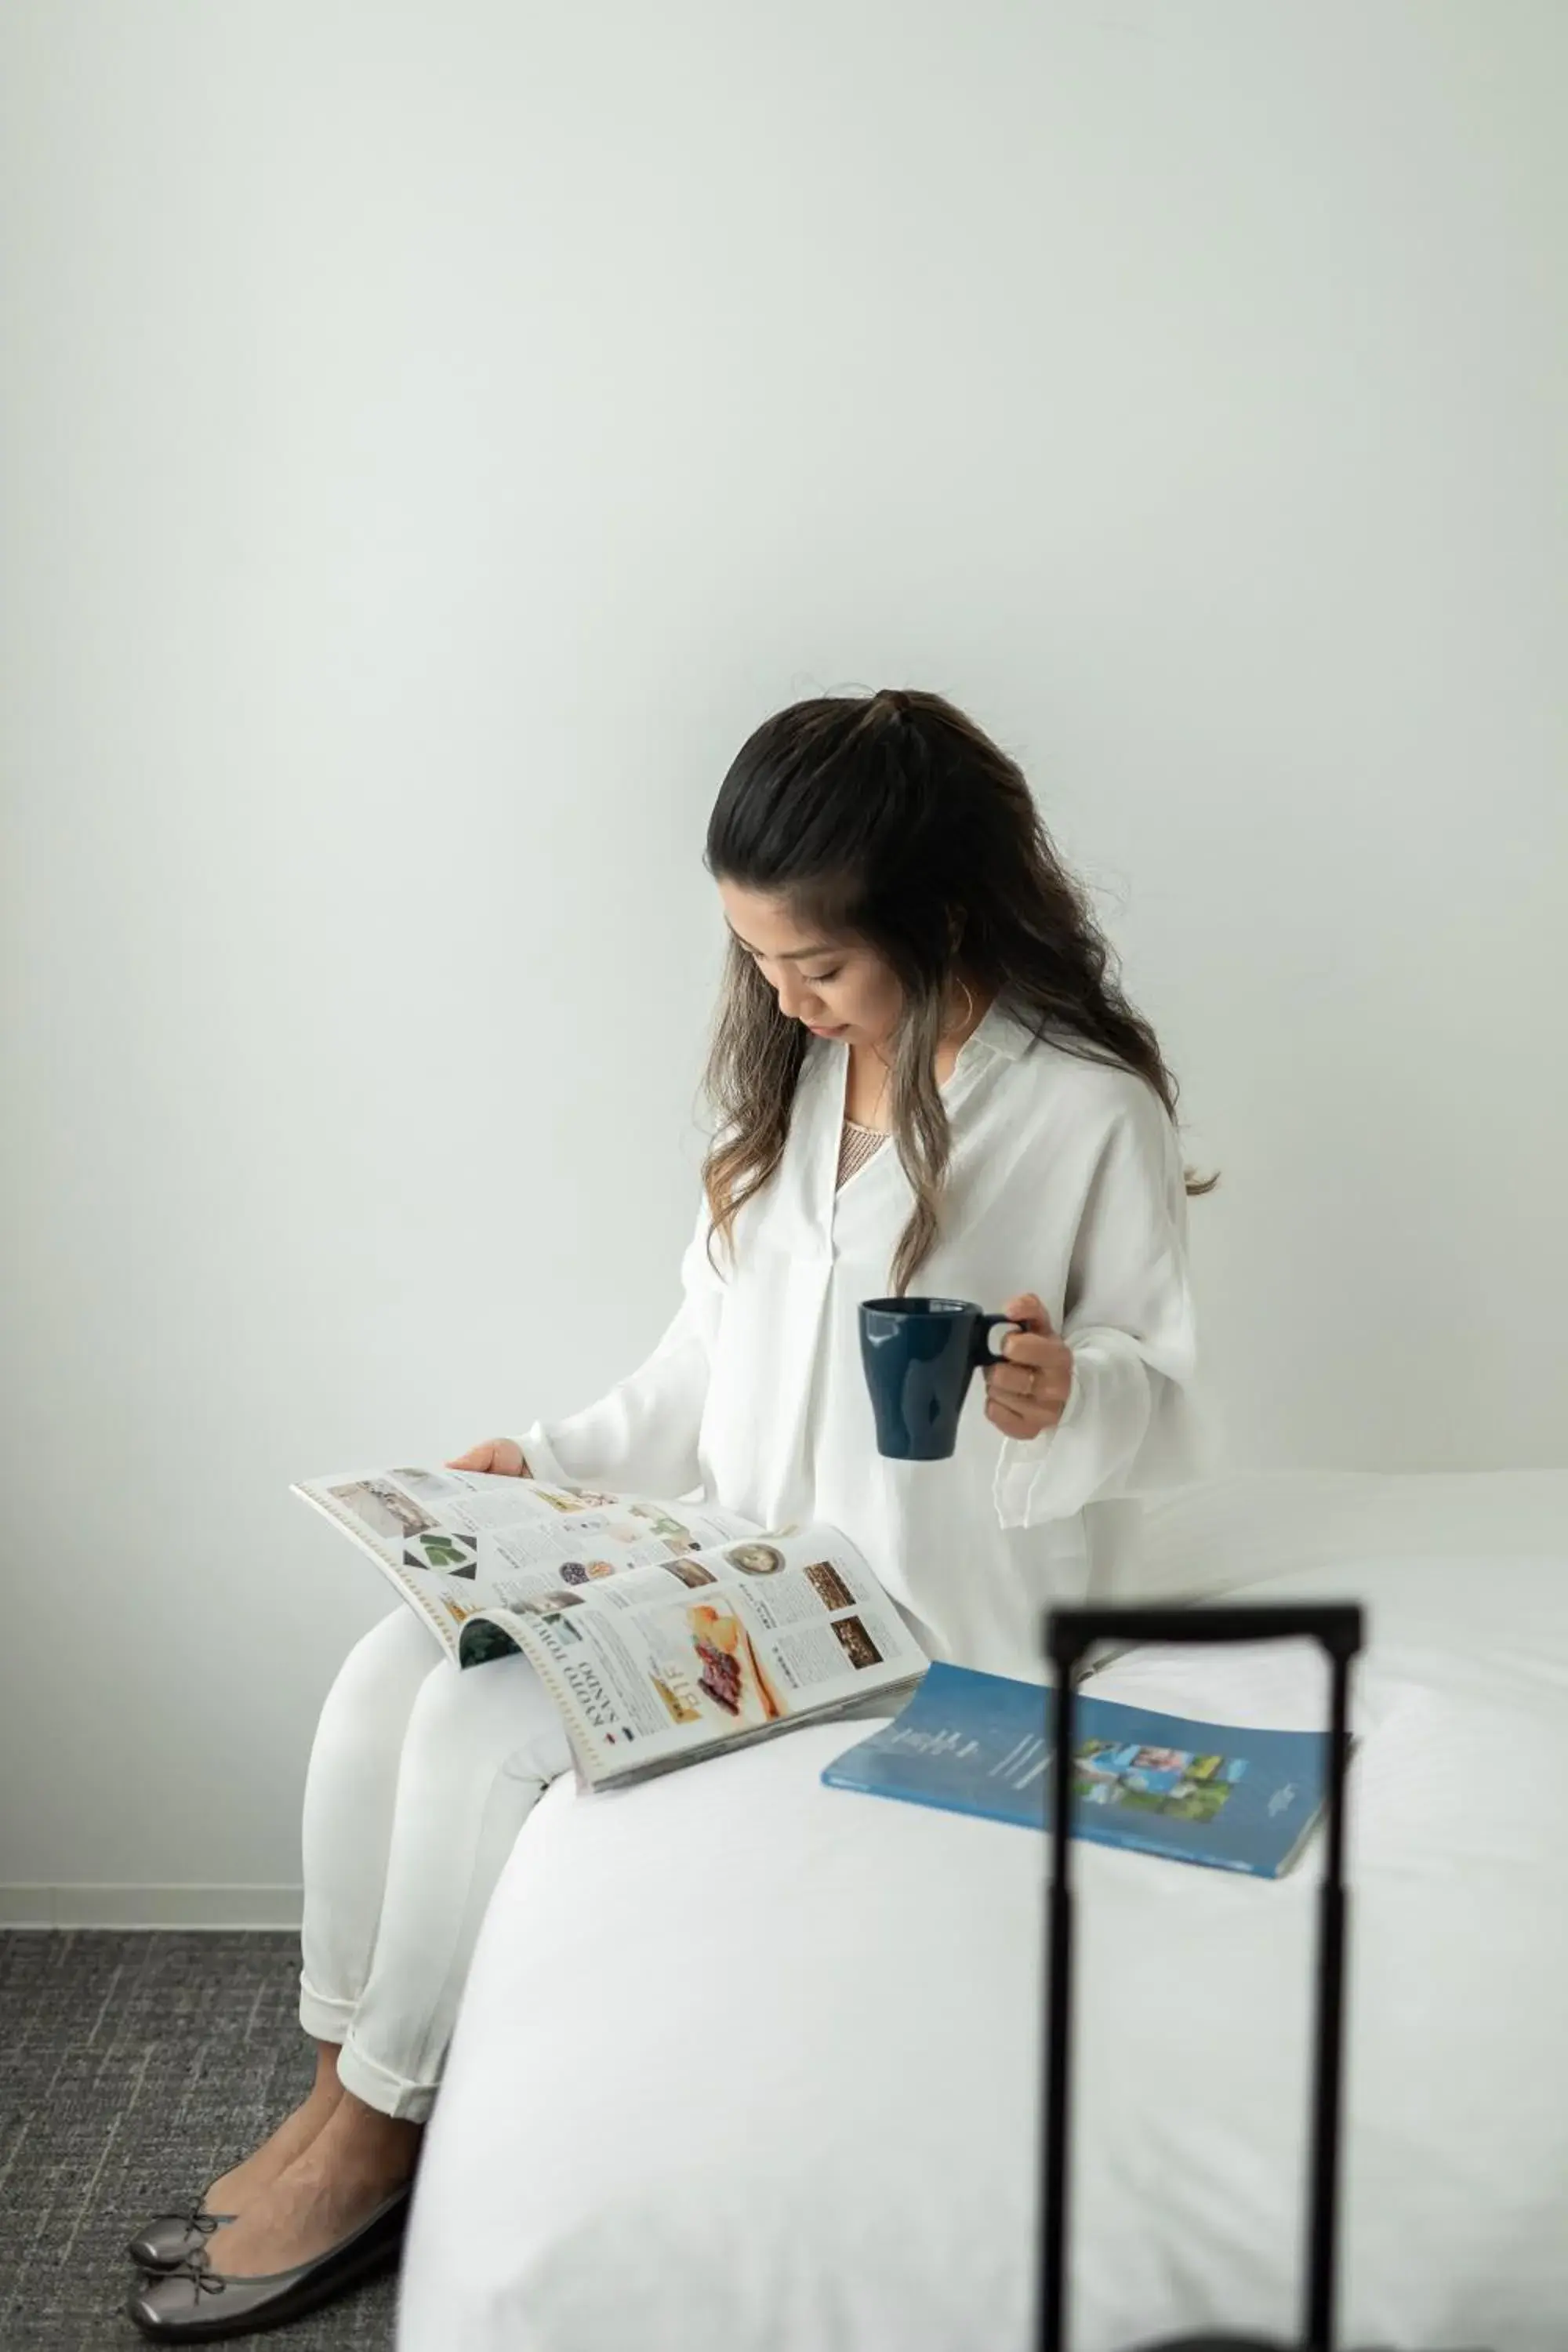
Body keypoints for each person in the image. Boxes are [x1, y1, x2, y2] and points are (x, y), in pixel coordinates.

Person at [125, 686, 1210, 2342]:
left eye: (817, 966)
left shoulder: (1081, 1111)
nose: (782, 999)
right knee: (384, 1679)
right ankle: (341, 2085)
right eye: (759, 963)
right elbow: (707, 1358)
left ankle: (381, 2142)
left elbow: (1162, 1382)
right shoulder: (801, 1086)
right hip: (747, 1556)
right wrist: (546, 1460)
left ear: (941, 915)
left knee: (489, 1726)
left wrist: (1073, 1394)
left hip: (919, 1617)